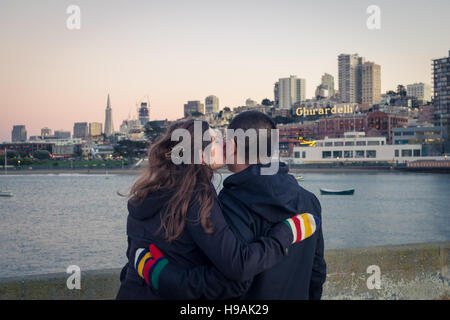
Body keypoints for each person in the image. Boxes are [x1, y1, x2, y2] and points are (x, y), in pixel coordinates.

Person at [116, 119, 320, 300]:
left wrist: (155, 273)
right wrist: (287, 233)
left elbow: (133, 259)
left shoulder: (144, 195)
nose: (224, 143)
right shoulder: (198, 197)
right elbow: (239, 267)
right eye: (215, 140)